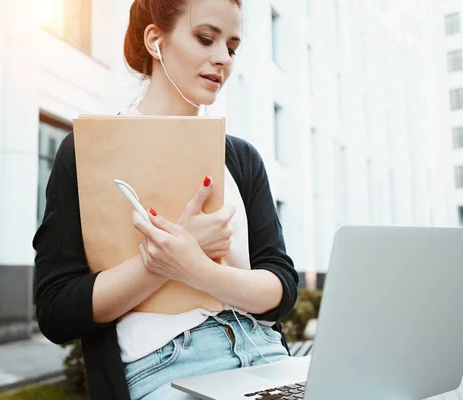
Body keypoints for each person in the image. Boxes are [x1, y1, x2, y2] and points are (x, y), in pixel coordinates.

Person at [33, 0, 299, 399]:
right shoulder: (88, 152)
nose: (222, 58)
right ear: (156, 40)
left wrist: (197, 268)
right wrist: (160, 262)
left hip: (265, 356)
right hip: (167, 368)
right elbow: (56, 310)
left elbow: (282, 288)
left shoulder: (241, 159)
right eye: (205, 38)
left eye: (232, 47)